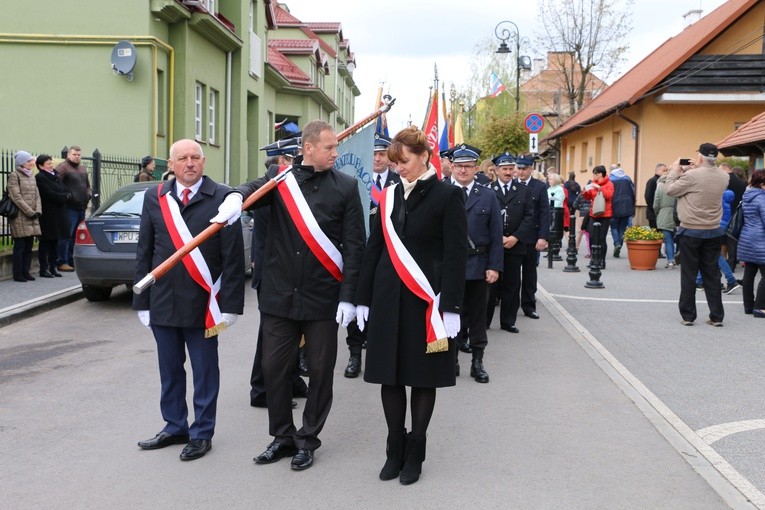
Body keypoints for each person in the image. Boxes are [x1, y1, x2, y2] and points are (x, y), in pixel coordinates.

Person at [213, 120, 365, 471]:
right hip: (280, 297)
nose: (335, 153)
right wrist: (235, 195)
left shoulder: (346, 187)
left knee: (322, 371)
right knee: (273, 368)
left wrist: (349, 296)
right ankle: (282, 436)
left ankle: (307, 439)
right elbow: (251, 187)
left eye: (335, 147)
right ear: (308, 148)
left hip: (323, 297)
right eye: (329, 147)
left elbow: (357, 246)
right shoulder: (281, 182)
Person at [355, 126, 466, 485]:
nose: (397, 168)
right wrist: (362, 298)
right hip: (388, 298)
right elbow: (375, 249)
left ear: (424, 157)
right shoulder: (387, 197)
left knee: (421, 376)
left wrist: (451, 306)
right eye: (394, 162)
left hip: (425, 300)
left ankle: (416, 448)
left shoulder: (447, 196)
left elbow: (455, 255)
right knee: (389, 374)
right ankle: (394, 447)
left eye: (403, 162)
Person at [133, 139, 245, 461]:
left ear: (204, 162)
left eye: (195, 157)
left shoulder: (223, 197)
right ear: (171, 164)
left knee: (205, 372)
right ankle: (174, 425)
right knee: (169, 371)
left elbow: (233, 257)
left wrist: (230, 306)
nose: (190, 163)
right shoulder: (155, 198)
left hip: (204, 304)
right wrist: (142, 301)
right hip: (164, 301)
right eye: (182, 158)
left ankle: (201, 433)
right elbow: (145, 249)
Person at [248, 138, 307, 408]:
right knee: (270, 337)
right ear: (282, 162)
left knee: (291, 331)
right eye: (293, 160)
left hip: (283, 273)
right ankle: (261, 389)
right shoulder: (272, 188)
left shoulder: (282, 185)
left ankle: (292, 380)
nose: (297, 165)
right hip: (272, 273)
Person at [343, 133, 400, 378]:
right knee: (356, 301)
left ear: (389, 157)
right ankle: (355, 354)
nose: (376, 158)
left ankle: (381, 355)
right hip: (359, 252)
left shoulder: (399, 183)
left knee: (384, 307)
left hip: (390, 255)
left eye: (381, 154)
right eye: (373, 153)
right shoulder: (353, 180)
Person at [449, 144, 501, 383]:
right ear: (452, 166)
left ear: (476, 168)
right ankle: (451, 361)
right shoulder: (441, 191)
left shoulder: (488, 195)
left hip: (479, 265)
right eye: (458, 166)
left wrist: (494, 266)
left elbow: (495, 235)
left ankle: (477, 362)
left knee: (478, 318)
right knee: (450, 315)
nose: (462, 170)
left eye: (468, 166)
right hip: (449, 265)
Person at [666, 143, 729, 327]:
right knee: (712, 274)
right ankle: (716, 315)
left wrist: (675, 170)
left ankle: (688, 315)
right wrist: (696, 169)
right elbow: (704, 184)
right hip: (713, 230)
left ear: (700, 157)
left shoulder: (692, 176)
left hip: (691, 230)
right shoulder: (724, 176)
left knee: (689, 274)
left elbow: (670, 189)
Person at [486, 152, 534, 334]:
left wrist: (516, 237)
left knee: (512, 285)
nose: (508, 172)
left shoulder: (524, 190)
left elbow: (529, 217)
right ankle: (485, 321)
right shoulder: (487, 189)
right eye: (504, 169)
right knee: (490, 286)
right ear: (496, 170)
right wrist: (497, 238)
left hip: (515, 245)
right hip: (493, 246)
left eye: (510, 169)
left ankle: (508, 321)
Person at [515, 156, 549, 319]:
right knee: (512, 276)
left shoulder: (540, 187)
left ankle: (529, 306)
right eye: (519, 168)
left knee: (529, 274)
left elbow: (544, 213)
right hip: (513, 238)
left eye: (524, 169)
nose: (521, 172)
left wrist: (543, 237)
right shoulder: (512, 185)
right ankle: (511, 305)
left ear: (530, 170)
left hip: (531, 238)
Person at [7, 151, 42, 282]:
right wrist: (29, 211)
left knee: (29, 247)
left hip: (32, 216)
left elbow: (37, 195)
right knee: (20, 247)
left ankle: (26, 271)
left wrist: (37, 210)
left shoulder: (32, 176)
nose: (32, 163)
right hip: (20, 217)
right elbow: (16, 197)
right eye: (29, 161)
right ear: (22, 163)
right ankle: (18, 273)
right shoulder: (14, 175)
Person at [34, 155, 71, 278]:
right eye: (48, 163)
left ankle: (53, 266)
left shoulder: (56, 176)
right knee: (45, 242)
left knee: (55, 241)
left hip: (59, 214)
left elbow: (65, 190)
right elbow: (49, 194)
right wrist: (64, 197)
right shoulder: (40, 178)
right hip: (48, 214)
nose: (51, 165)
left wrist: (64, 196)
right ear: (40, 165)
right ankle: (44, 268)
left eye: (51, 162)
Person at [56, 146, 91, 272]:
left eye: (79, 155)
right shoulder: (62, 167)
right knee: (65, 235)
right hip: (69, 207)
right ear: (68, 155)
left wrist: (89, 194)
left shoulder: (82, 168)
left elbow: (87, 185)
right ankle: (62, 261)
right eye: (74, 154)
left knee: (74, 237)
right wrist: (67, 196)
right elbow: (56, 184)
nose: (77, 156)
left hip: (82, 206)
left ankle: (71, 260)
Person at [736, 169, 765, 316]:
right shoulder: (762, 198)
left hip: (747, 237)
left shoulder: (747, 195)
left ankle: (748, 306)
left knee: (749, 272)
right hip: (761, 239)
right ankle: (760, 307)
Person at [581, 165, 614, 268]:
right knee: (591, 237)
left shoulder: (609, 184)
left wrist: (599, 188)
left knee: (601, 238)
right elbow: (588, 197)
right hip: (593, 214)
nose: (593, 176)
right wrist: (585, 192)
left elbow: (609, 195)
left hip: (605, 214)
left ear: (599, 174)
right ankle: (593, 260)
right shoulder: (593, 184)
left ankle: (602, 261)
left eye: (594, 174)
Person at [608, 163, 636, 258]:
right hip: (627, 206)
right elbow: (633, 192)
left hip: (614, 206)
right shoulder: (627, 178)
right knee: (622, 228)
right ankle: (619, 245)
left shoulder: (610, 179)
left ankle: (617, 243)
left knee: (614, 226)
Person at [652, 173, 677, 268]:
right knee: (677, 239)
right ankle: (676, 258)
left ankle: (670, 261)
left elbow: (656, 205)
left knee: (668, 240)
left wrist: (658, 213)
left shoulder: (660, 189)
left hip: (664, 215)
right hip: (677, 215)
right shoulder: (676, 187)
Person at [644, 163, 667, 230]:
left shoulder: (663, 181)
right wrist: (654, 208)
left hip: (660, 213)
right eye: (664, 170)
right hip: (653, 213)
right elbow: (648, 197)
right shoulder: (653, 181)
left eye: (666, 170)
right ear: (658, 170)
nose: (666, 172)